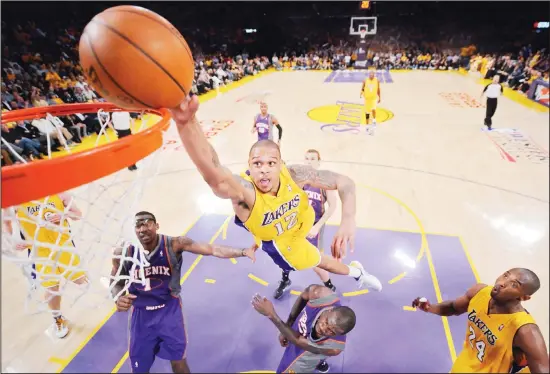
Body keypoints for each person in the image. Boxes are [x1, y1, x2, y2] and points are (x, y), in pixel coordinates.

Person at [170, 96, 382, 291]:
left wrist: (348, 218)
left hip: (302, 220)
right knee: (320, 261)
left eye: (271, 163)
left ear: (280, 164)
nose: (264, 169)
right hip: (286, 242)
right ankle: (357, 274)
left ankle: (355, 272)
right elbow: (214, 171)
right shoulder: (245, 194)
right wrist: (187, 123)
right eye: (257, 164)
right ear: (249, 167)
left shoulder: (293, 173)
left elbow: (344, 181)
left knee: (320, 257)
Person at [110, 211, 257, 374]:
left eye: (147, 223)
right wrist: (117, 297)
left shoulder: (174, 244)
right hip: (141, 316)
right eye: (138, 225)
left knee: (179, 361)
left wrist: (243, 251)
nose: (143, 228)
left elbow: (212, 249)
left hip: (169, 312)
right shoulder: (124, 252)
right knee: (139, 368)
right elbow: (116, 280)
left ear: (157, 225)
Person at [412, 268, 549, 373]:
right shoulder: (479, 292)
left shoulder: (525, 330)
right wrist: (430, 308)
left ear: (524, 297)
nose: (502, 283)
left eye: (514, 285)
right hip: (463, 366)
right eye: (506, 275)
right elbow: (453, 307)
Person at [13, 193, 87, 338]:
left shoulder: (60, 193)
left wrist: (64, 215)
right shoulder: (17, 201)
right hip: (40, 251)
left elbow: (78, 214)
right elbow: (8, 222)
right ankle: (58, 318)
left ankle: (112, 283)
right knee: (52, 288)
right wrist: (15, 240)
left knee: (80, 280)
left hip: (63, 245)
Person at [274, 149, 338, 300]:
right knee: (285, 254)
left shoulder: (325, 182)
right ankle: (285, 279)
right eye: (307, 158)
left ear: (318, 162)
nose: (309, 161)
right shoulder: (298, 180)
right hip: (296, 224)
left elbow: (333, 207)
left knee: (315, 261)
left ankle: (329, 285)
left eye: (312, 159)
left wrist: (317, 226)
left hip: (315, 226)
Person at [252, 284, 355, 373]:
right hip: (301, 334)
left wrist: (271, 314)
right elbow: (303, 297)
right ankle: (321, 360)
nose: (324, 329)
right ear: (329, 310)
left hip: (307, 354)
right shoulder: (319, 294)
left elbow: (298, 341)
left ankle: (319, 359)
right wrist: (289, 323)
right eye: (326, 322)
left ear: (338, 334)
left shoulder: (335, 348)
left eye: (331, 331)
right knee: (317, 348)